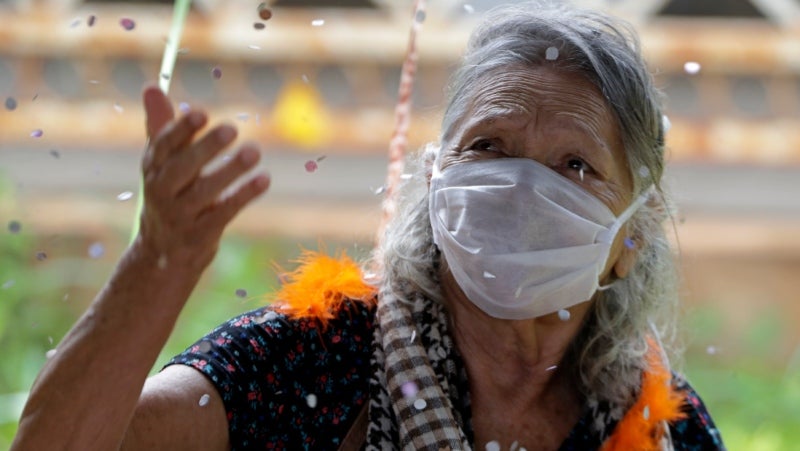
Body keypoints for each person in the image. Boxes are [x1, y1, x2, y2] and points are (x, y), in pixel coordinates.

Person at [12, 2, 725, 450]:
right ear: (435, 180)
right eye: (488, 147)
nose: (522, 189)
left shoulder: (668, 428)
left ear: (633, 236)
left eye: (574, 165)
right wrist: (158, 264)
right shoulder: (309, 361)